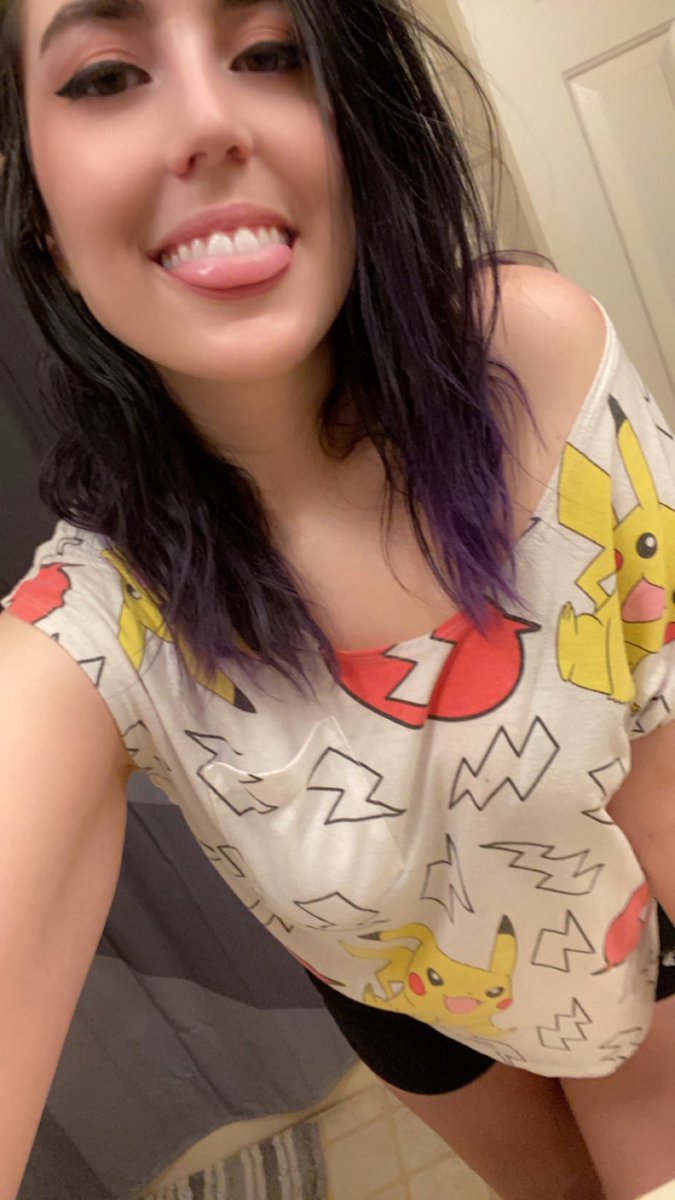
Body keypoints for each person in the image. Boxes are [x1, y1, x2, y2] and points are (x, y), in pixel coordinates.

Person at [1, 0, 675, 1196]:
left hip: (621, 940)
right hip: (410, 1011)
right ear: (41, 209)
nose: (206, 122)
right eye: (104, 77)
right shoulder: (93, 621)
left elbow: (662, 723)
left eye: (269, 53)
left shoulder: (535, 358)